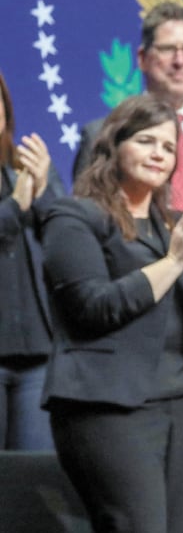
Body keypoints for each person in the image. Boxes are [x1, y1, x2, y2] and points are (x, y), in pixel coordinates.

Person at [42, 94, 183, 533]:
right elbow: (92, 307)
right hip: (109, 407)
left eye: (167, 147)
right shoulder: (73, 216)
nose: (159, 154)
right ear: (113, 145)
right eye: (145, 141)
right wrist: (174, 262)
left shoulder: (175, 225)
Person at [72, 2, 183, 229]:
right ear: (142, 58)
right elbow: (85, 222)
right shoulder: (102, 133)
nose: (179, 61)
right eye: (167, 49)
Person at [0, 72, 63, 449]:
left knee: (33, 474)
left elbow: (67, 238)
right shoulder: (17, 191)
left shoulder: (25, 168)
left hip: (38, 353)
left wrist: (42, 191)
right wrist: (14, 207)